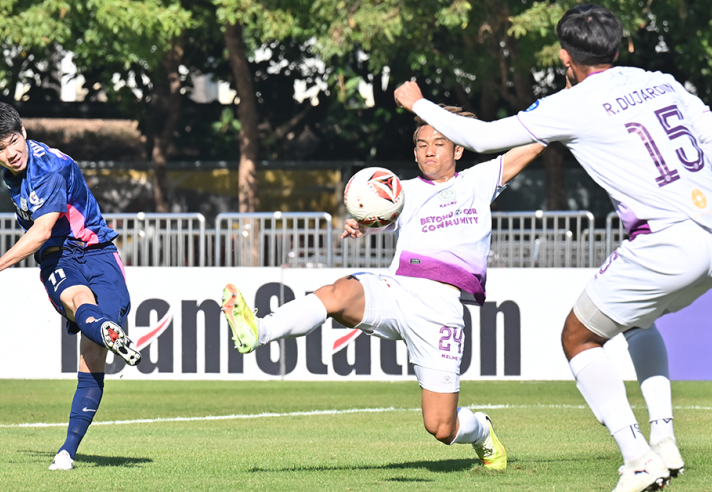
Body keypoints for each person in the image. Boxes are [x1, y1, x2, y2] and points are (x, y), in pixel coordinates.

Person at [394, 4, 712, 491]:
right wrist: (677, 186)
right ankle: (663, 439)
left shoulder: (573, 102)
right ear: (620, 46)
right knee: (638, 322)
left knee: (578, 338)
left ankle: (638, 459)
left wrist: (418, 104)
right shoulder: (660, 81)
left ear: (564, 57)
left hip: (665, 241)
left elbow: (483, 137)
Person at [221, 105, 546, 471]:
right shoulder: (401, 192)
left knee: (441, 427)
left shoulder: (479, 180)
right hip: (397, 289)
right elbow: (377, 215)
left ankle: (482, 431)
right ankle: (259, 330)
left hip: (440, 309)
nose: (429, 151)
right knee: (337, 293)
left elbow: (534, 142)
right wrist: (362, 223)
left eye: (439, 143)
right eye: (422, 144)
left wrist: (566, 107)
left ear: (458, 149)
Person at [0, 100, 142, 471]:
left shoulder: (49, 170)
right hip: (60, 259)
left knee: (92, 355)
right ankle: (66, 453)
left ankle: (103, 334)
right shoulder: (11, 154)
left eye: (14, 142)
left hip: (97, 252)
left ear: (24, 132)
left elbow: (42, 231)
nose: (10, 153)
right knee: (79, 301)